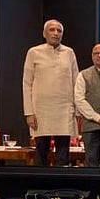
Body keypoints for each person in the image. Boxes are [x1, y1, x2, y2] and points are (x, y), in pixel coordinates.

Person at [22, 19, 79, 166]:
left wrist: (77, 111)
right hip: (40, 110)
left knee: (63, 152)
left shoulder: (69, 52)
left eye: (59, 31)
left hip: (64, 108)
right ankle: (41, 186)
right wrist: (29, 112)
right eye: (52, 30)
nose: (56, 33)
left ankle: (62, 185)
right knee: (41, 150)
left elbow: (76, 83)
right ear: (44, 33)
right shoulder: (33, 52)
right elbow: (26, 84)